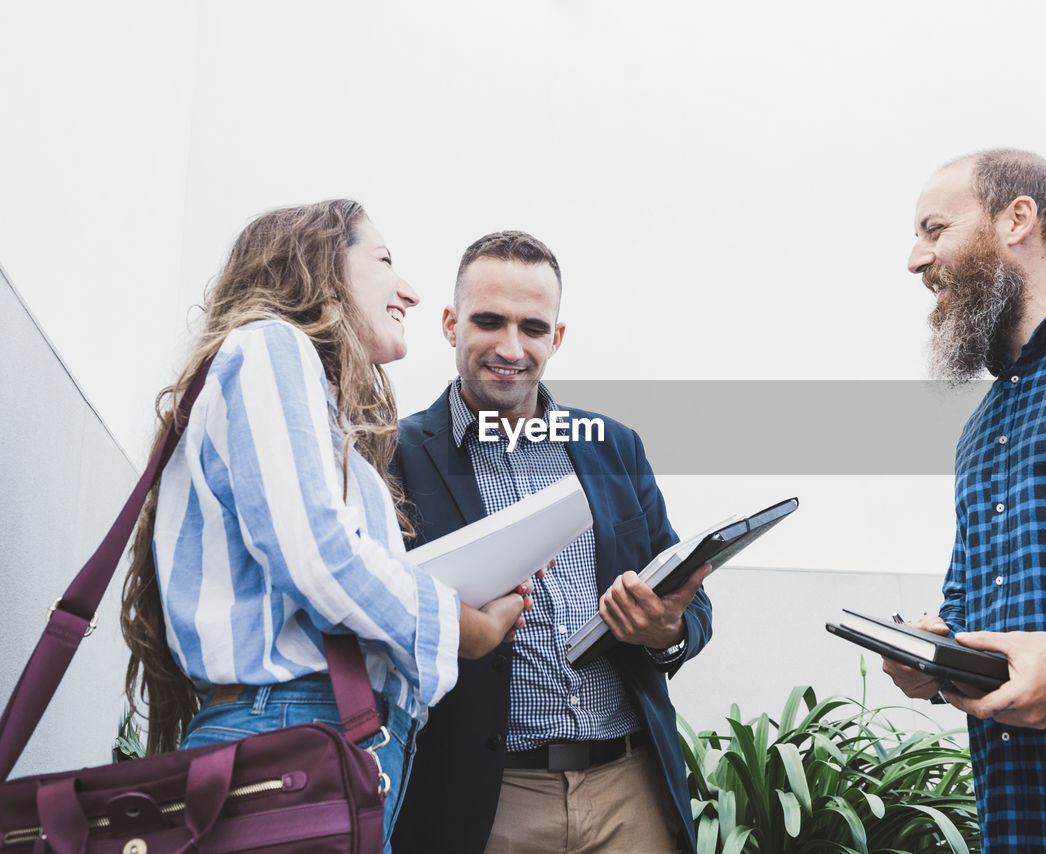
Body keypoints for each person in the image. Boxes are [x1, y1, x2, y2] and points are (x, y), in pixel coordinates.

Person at [120, 199, 531, 849]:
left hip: (324, 749)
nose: (412, 292)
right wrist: (459, 625)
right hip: (294, 740)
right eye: (385, 260)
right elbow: (321, 557)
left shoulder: (313, 407)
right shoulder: (269, 347)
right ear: (319, 262)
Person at [391, 230, 712, 853]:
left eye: (533, 328)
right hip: (486, 801)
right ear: (451, 323)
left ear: (555, 338)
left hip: (630, 792)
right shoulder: (395, 455)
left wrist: (664, 628)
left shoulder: (614, 447)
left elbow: (690, 609)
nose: (512, 347)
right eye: (489, 321)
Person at [884, 149, 1046, 852]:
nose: (915, 259)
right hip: (1017, 806)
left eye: (934, 229)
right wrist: (937, 651)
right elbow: (971, 590)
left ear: (1017, 219)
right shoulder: (982, 425)